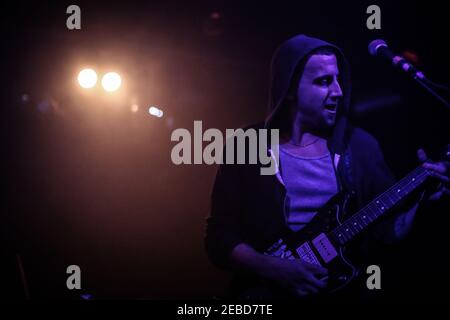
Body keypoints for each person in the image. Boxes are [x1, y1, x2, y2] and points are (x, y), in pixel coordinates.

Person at [204, 34, 449, 299]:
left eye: (338, 80)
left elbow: (388, 232)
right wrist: (273, 268)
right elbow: (218, 236)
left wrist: (421, 199)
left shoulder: (360, 147)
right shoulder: (247, 146)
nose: (338, 91)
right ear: (288, 90)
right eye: (323, 82)